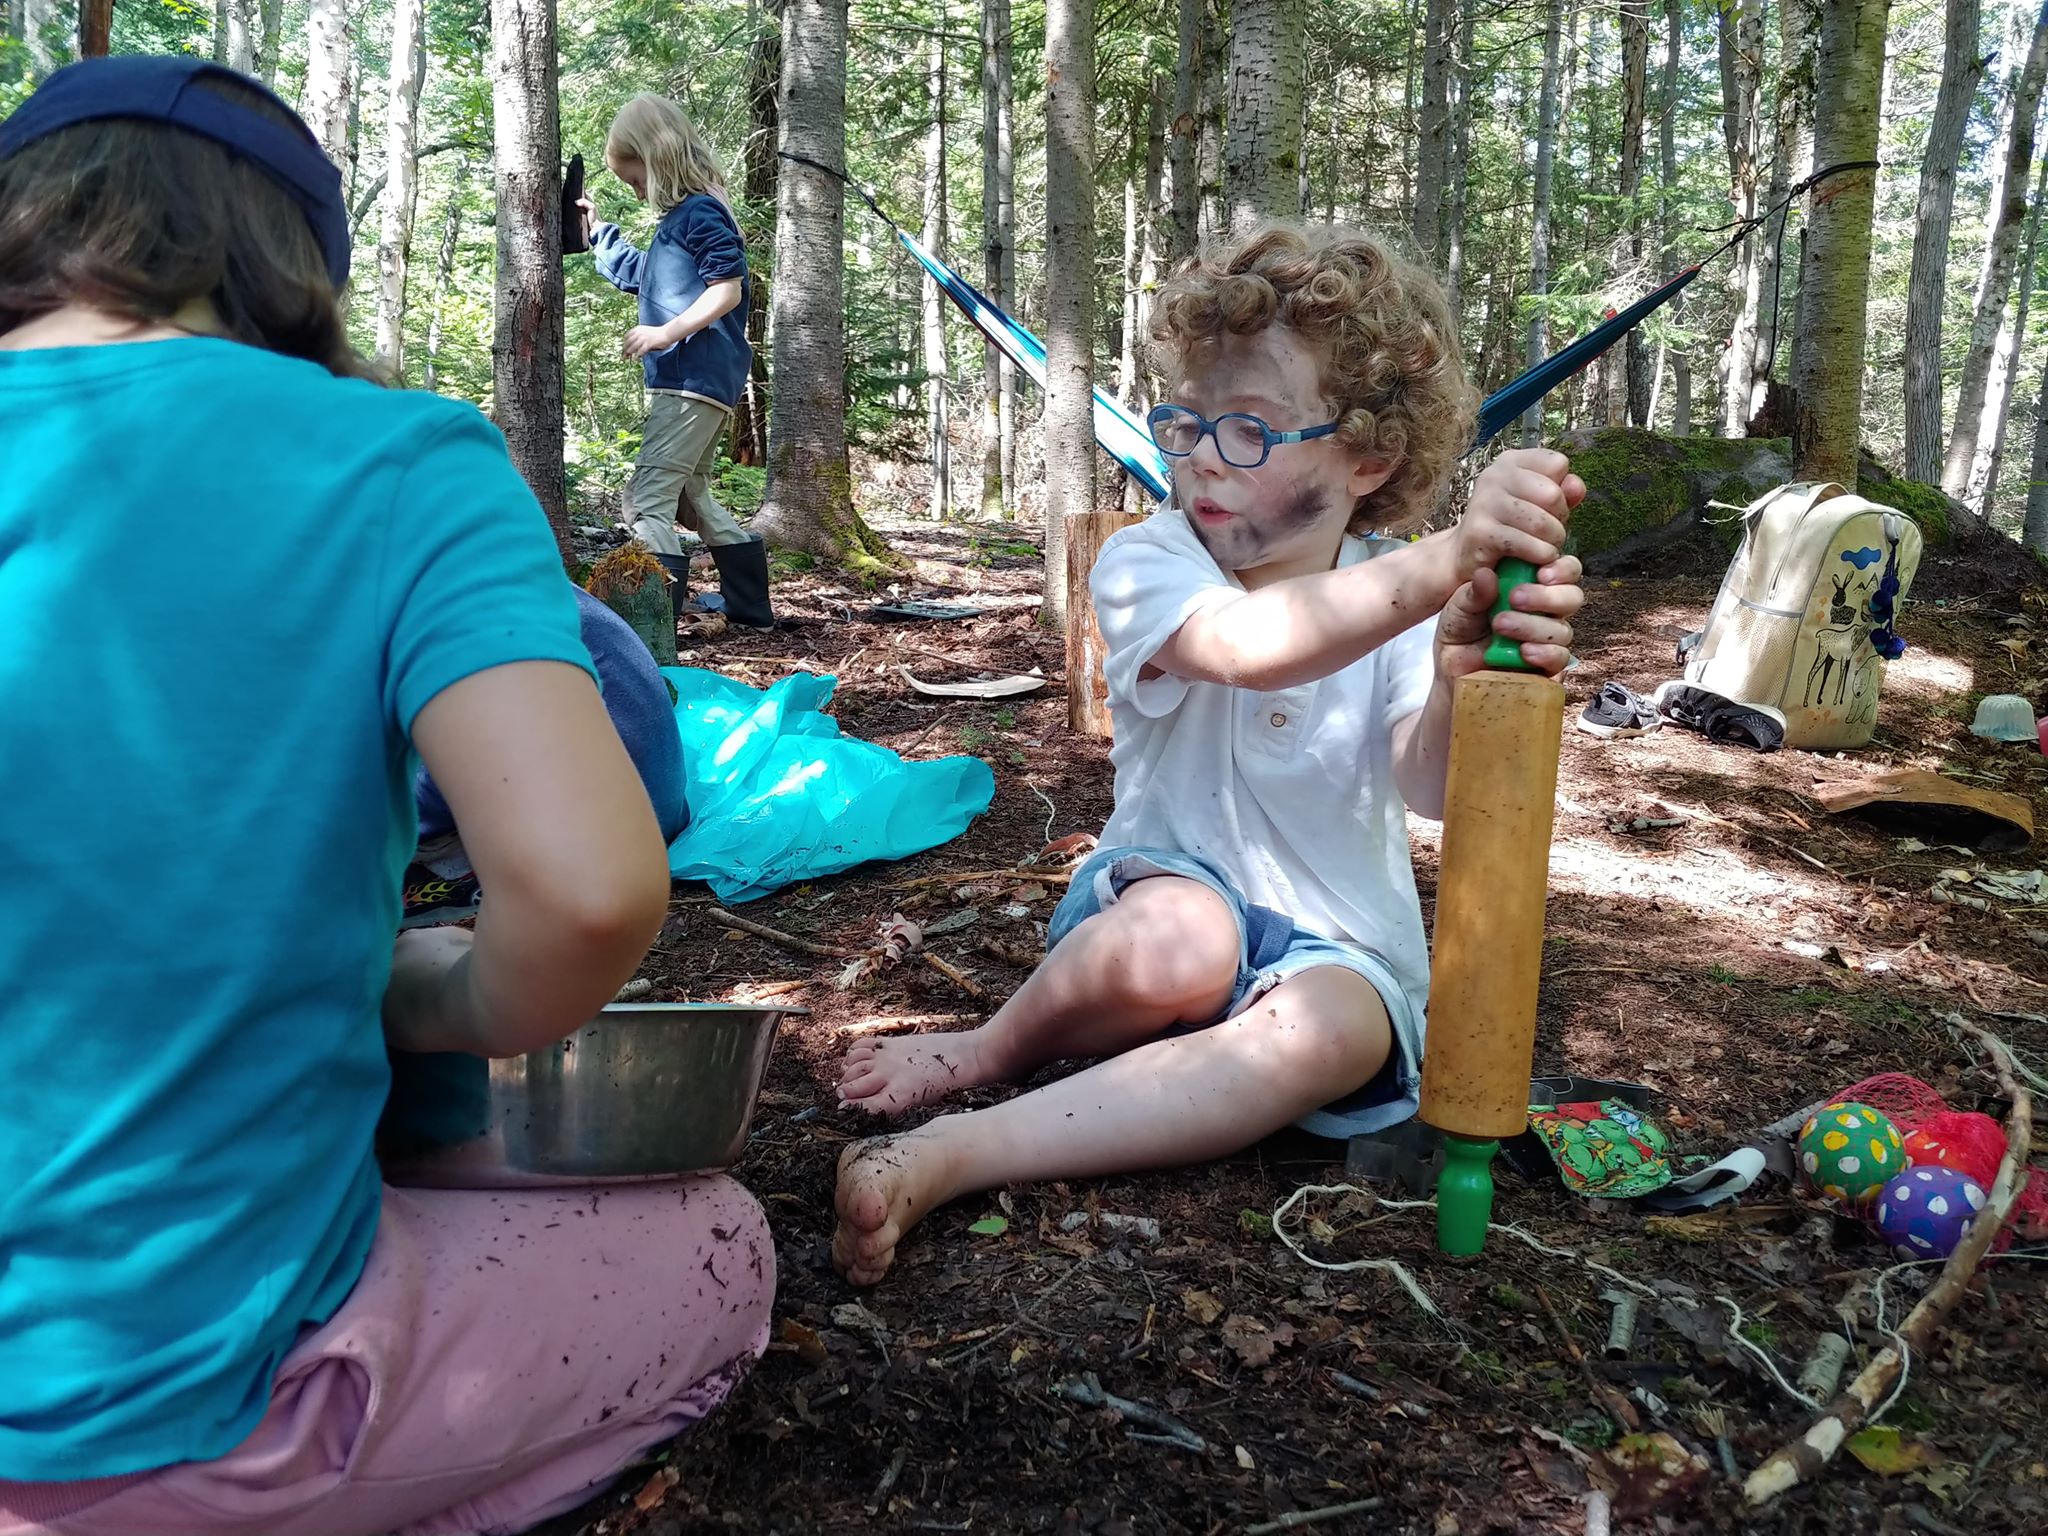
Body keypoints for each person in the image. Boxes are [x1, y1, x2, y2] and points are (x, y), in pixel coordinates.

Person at [0, 57, 771, 1536]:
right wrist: (435, 1001)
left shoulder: (692, 229)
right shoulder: (396, 461)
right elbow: (591, 887)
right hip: (151, 1421)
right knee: (716, 1245)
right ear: (294, 268)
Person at [829, 223, 1587, 1286]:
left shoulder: (1407, 598)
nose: (1196, 458)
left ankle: (955, 1155)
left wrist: (1462, 668)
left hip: (1335, 944)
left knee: (1338, 1028)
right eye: (1185, 422)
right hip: (1158, 897)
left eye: (1247, 431)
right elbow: (1245, 651)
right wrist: (1448, 561)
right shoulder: (1152, 560)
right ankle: (996, 1049)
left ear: (1367, 457)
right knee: (1180, 939)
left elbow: (1427, 786)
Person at [577, 94, 772, 633]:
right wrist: (600, 236)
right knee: (692, 493)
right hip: (702, 380)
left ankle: (648, 636)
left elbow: (726, 290)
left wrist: (667, 331)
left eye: (635, 180)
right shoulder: (681, 219)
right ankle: (750, 611)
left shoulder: (702, 212)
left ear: (656, 159)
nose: (637, 192)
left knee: (647, 502)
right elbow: (651, 278)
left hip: (691, 380)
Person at [405, 586, 690, 927]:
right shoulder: (522, 581)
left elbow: (450, 769)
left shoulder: (458, 616)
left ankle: (457, 874)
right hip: (653, 816)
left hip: (590, 841)